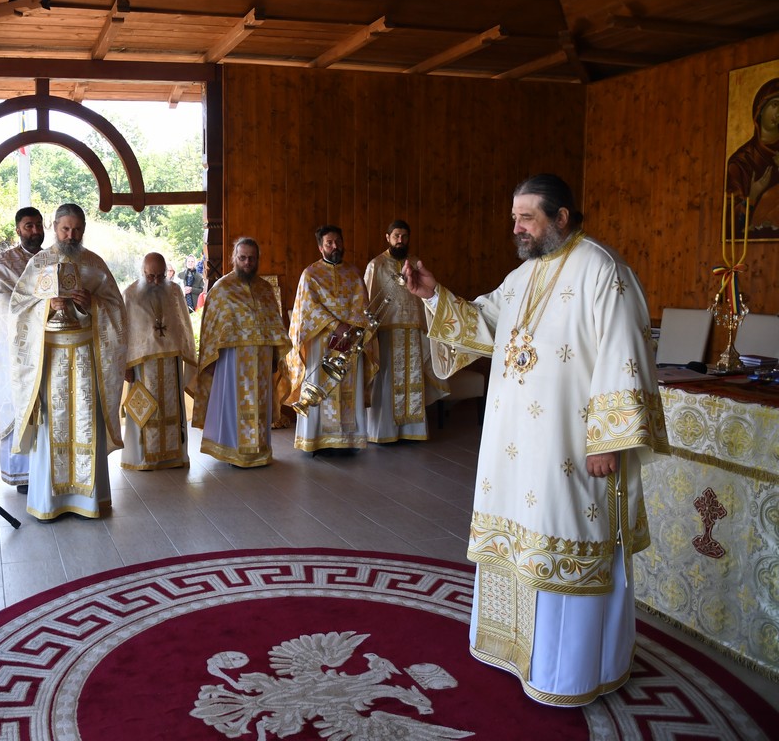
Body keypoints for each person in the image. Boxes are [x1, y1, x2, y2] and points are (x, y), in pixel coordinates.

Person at [402, 173, 668, 706]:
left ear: (562, 217)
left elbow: (624, 356)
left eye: (528, 217)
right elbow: (483, 323)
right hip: (515, 450)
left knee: (563, 541)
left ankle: (567, 673)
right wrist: (433, 295)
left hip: (569, 450)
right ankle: (514, 650)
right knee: (521, 543)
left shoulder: (602, 270)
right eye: (515, 218)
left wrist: (607, 441)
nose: (517, 228)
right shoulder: (523, 276)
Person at [9, 203, 126, 520]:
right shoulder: (39, 262)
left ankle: (89, 500)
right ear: (55, 227)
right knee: (53, 420)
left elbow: (117, 308)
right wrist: (46, 307)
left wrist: (94, 304)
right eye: (65, 229)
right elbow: (18, 308)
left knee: (86, 419)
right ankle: (51, 502)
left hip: (86, 355)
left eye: (76, 230)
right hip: (52, 359)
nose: (70, 235)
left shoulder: (94, 264)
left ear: (83, 230)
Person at [189, 238, 289, 467]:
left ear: (257, 260)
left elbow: (274, 324)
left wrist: (275, 357)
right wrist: (210, 360)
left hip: (262, 358)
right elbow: (210, 329)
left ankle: (259, 449)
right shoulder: (222, 288)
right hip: (232, 359)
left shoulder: (265, 289)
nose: (247, 262)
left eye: (251, 258)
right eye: (242, 258)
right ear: (234, 258)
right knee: (233, 403)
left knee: (260, 403)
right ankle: (232, 450)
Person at [281, 225, 375, 453]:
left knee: (347, 385)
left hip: (350, 341)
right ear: (320, 247)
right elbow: (307, 308)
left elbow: (362, 305)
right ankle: (316, 441)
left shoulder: (353, 273)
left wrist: (351, 330)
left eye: (338, 242)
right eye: (329, 243)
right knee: (318, 384)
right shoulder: (310, 274)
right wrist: (336, 325)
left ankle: (348, 441)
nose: (335, 246)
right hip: (320, 341)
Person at [363, 220, 448, 443]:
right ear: (387, 237)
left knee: (413, 379)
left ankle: (413, 431)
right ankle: (384, 432)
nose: (401, 240)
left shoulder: (415, 263)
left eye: (404, 237)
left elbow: (425, 297)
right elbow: (368, 302)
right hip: (386, 332)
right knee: (387, 380)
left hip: (414, 330)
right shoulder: (376, 265)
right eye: (396, 236)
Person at [121, 252, 196, 470]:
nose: (155, 281)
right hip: (142, 367)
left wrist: (186, 351)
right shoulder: (131, 295)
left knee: (172, 410)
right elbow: (123, 333)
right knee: (144, 411)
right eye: (150, 276)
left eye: (160, 276)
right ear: (142, 272)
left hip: (171, 363)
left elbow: (183, 325)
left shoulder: (174, 291)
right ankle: (143, 458)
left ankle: (174, 457)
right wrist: (125, 365)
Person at [0, 206, 45, 491]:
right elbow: (3, 306)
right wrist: (41, 305)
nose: (34, 231)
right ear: (18, 230)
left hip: (51, 347)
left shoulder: (54, 259)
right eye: (28, 226)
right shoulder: (4, 263)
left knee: (48, 409)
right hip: (21, 351)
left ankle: (49, 469)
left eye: (38, 225)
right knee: (25, 406)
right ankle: (24, 475)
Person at [726, 77, 779, 227]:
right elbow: (731, 223)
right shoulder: (741, 161)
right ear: (760, 110)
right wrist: (753, 195)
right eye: (775, 105)